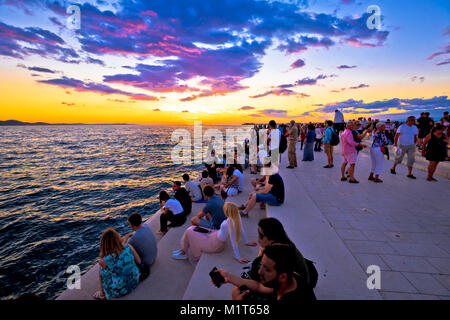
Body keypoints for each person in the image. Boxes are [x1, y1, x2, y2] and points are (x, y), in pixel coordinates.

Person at [214, 244, 316, 302]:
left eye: (266, 269)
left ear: (283, 276)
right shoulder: (288, 279)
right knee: (237, 290)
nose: (260, 271)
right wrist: (229, 277)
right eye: (261, 265)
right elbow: (259, 287)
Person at [172, 202, 257, 263]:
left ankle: (183, 252)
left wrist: (238, 257)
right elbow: (242, 229)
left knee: (190, 230)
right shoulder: (237, 217)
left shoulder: (227, 223)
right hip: (214, 235)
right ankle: (183, 250)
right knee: (192, 229)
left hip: (215, 243)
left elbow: (233, 240)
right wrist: (247, 242)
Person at [245, 218, 313, 288]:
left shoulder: (278, 252)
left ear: (271, 237)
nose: (258, 237)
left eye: (261, 235)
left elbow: (257, 273)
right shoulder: (282, 242)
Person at [93, 228, 140, 300]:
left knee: (102, 270)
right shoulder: (128, 246)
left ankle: (102, 293)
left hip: (119, 291)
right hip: (135, 280)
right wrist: (127, 236)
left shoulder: (103, 261)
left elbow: (102, 275)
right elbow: (139, 261)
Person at [122, 213, 157, 281]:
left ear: (131, 225)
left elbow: (123, 249)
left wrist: (126, 238)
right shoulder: (147, 226)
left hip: (147, 262)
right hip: (154, 256)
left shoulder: (133, 239)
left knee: (128, 252)